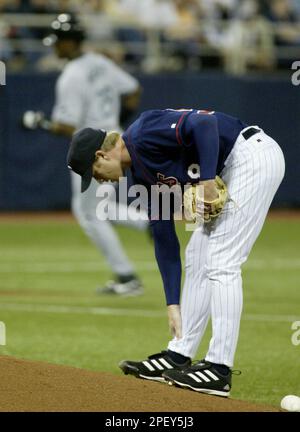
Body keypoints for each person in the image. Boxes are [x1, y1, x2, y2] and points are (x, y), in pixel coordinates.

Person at [67, 107, 285, 397]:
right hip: (231, 166)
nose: (98, 180)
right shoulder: (141, 175)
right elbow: (164, 238)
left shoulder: (143, 133)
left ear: (101, 155)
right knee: (197, 253)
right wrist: (173, 303)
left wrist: (207, 180)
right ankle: (179, 355)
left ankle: (219, 369)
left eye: (93, 172)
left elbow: (204, 123)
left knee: (221, 260)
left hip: (252, 157)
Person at [22, 13, 148, 296]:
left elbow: (67, 126)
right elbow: (133, 91)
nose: (54, 47)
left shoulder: (71, 76)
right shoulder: (99, 62)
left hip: (94, 150)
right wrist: (115, 121)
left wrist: (39, 122)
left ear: (70, 42)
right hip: (117, 141)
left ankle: (127, 277)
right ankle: (150, 224)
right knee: (99, 210)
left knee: (89, 214)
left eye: (58, 42)